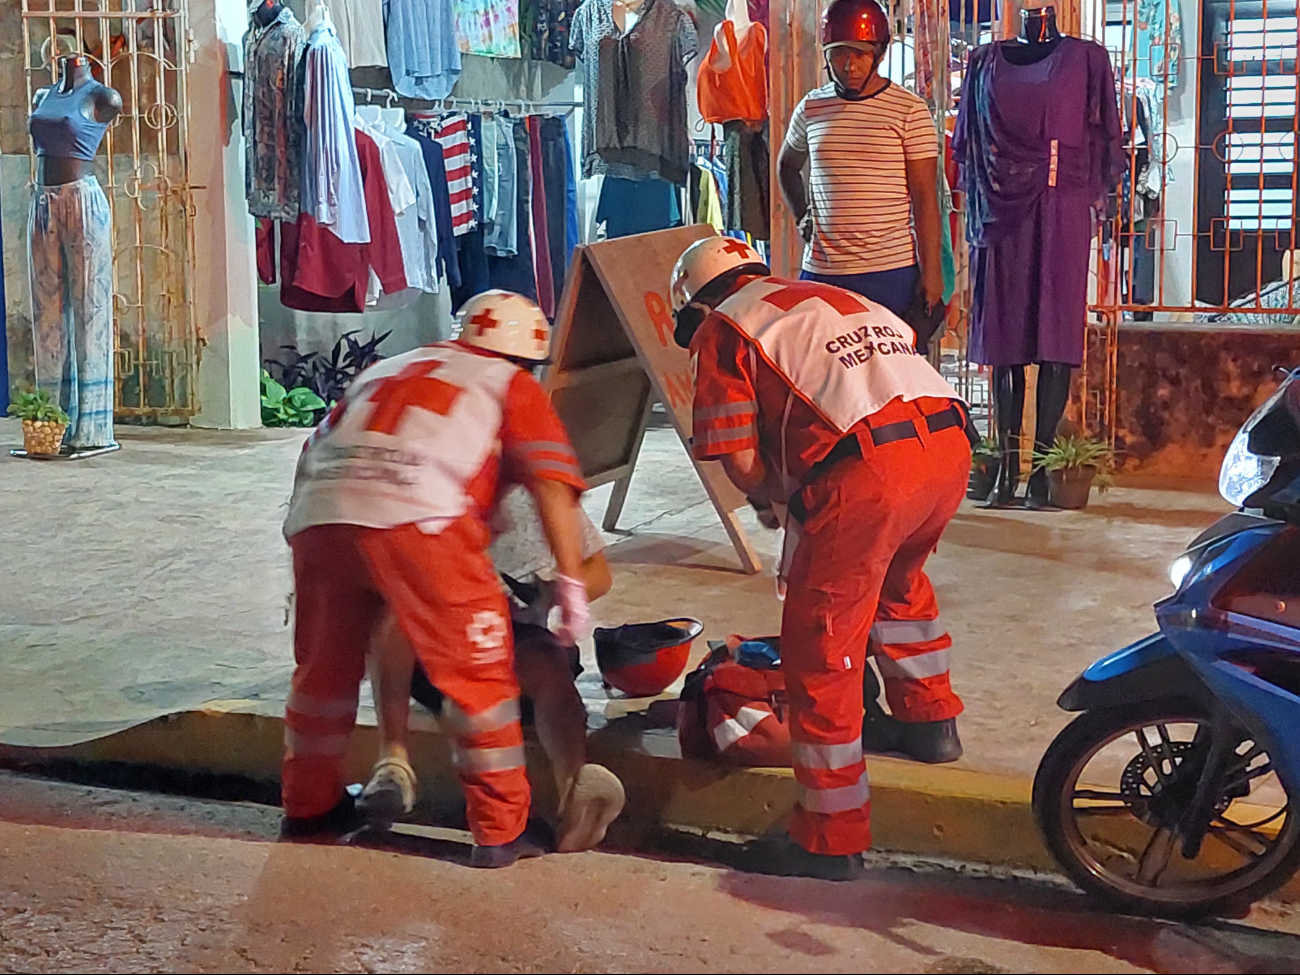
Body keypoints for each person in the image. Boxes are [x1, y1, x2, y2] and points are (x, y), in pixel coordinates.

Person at [671, 236, 971, 881]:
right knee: (899, 588)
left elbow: (739, 460)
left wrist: (775, 498)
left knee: (822, 642)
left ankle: (829, 840)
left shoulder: (726, 328)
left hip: (866, 473)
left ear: (696, 307)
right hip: (946, 450)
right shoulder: (829, 297)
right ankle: (929, 723)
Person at [279, 290, 591, 870]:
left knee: (323, 672)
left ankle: (308, 805)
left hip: (318, 514)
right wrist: (570, 585)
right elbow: (553, 485)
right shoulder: (508, 383)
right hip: (422, 521)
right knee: (480, 682)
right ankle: (502, 831)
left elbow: (315, 448)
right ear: (526, 358)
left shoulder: (393, 367)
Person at [360, 486, 627, 854]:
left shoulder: (542, 491)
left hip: (513, 639)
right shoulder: (428, 485)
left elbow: (598, 572)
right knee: (394, 611)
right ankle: (394, 760)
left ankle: (576, 788)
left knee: (549, 661)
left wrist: (553, 592)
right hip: (434, 646)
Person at [777, 0, 945, 323]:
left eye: (860, 53)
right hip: (823, 272)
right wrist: (802, 216)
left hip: (890, 271)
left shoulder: (909, 111)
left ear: (879, 54)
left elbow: (925, 197)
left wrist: (932, 274)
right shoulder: (812, 108)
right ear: (826, 55)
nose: (849, 66)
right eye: (839, 54)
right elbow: (787, 166)